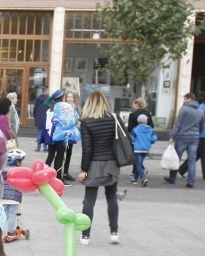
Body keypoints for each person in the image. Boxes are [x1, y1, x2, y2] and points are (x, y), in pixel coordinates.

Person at [76, 90, 121, 245]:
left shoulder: (86, 121)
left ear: (89, 103)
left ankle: (85, 235)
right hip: (112, 163)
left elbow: (87, 149)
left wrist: (84, 169)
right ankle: (114, 232)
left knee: (89, 200)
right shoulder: (113, 118)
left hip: (94, 164)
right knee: (112, 197)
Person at [164, 92, 205, 188]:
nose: (183, 100)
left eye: (185, 99)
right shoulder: (199, 110)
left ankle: (172, 178)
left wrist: (172, 136)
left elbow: (178, 123)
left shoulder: (184, 109)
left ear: (189, 98)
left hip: (183, 136)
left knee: (176, 158)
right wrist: (197, 132)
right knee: (192, 159)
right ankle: (191, 181)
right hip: (195, 137)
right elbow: (202, 125)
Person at [178, 93, 205, 181]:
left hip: (199, 135)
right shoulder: (201, 107)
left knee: (196, 155)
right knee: (198, 155)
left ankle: (181, 170)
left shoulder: (201, 107)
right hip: (201, 135)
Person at [2, 148, 26, 242]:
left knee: (4, 214)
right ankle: (11, 233)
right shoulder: (20, 171)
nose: (23, 163)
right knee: (12, 214)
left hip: (3, 196)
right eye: (22, 161)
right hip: (14, 197)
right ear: (17, 162)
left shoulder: (3, 170)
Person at [126, 97, 153, 181]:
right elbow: (151, 125)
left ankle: (140, 172)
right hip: (145, 139)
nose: (132, 105)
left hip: (135, 138)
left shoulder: (132, 114)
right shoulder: (147, 114)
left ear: (137, 104)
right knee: (138, 157)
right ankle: (135, 174)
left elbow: (130, 128)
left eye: (133, 103)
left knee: (135, 156)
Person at [43, 89, 66, 182]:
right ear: (61, 98)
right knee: (60, 157)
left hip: (50, 135)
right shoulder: (62, 108)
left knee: (50, 155)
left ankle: (43, 174)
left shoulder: (50, 108)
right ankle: (58, 177)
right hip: (59, 134)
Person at [130, 114, 157, 185]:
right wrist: (150, 142)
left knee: (138, 164)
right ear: (146, 121)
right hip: (146, 149)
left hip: (137, 149)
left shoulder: (135, 129)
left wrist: (134, 143)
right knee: (139, 163)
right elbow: (154, 138)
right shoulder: (150, 129)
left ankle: (143, 178)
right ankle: (135, 179)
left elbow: (132, 139)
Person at [61, 92, 81, 182]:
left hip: (72, 132)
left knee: (69, 153)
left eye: (71, 97)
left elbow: (79, 118)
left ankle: (65, 173)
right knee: (62, 153)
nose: (69, 98)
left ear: (74, 98)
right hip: (64, 133)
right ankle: (60, 173)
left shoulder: (76, 107)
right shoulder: (62, 107)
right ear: (65, 98)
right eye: (68, 97)